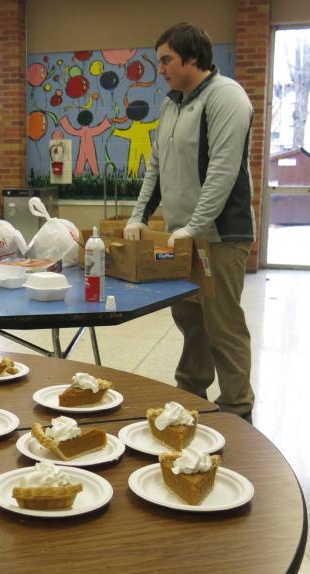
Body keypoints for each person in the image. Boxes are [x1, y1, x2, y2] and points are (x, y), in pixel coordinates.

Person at [124, 23, 255, 422]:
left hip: (219, 235)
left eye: (166, 60)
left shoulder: (226, 97)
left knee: (222, 323)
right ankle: (192, 393)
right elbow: (156, 170)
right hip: (182, 237)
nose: (160, 68)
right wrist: (138, 216)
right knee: (189, 319)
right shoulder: (172, 105)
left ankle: (236, 408)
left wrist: (195, 228)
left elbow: (223, 170)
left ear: (192, 58)